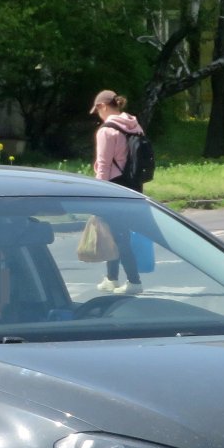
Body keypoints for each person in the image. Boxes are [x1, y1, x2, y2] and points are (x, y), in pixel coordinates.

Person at [90, 89, 144, 294]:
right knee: (115, 233)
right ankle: (111, 278)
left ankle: (134, 282)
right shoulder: (134, 125)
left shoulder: (106, 131)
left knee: (119, 236)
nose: (98, 115)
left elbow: (103, 165)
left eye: (97, 110)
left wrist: (96, 194)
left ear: (103, 106)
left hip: (112, 186)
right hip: (133, 184)